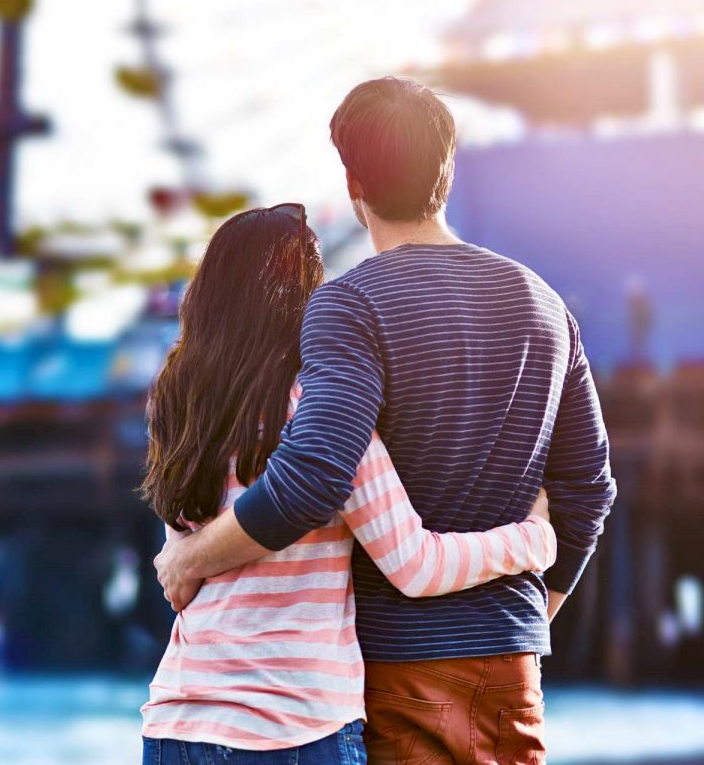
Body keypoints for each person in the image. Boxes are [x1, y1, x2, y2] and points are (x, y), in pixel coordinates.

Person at [154, 77, 616, 763]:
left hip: (393, 668)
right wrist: (521, 617)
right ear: (447, 170)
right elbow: (590, 490)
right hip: (512, 663)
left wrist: (190, 556)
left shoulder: (348, 306)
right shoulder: (545, 306)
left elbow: (312, 476)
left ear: (352, 183)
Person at [139, 203, 558, 763]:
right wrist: (535, 539)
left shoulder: (178, 406)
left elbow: (180, 579)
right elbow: (416, 565)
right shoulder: (324, 412)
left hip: (175, 724)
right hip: (295, 728)